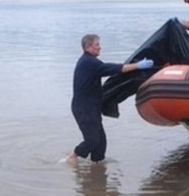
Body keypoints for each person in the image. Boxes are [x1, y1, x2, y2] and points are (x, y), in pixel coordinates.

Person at [65, 34, 154, 165]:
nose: (100, 48)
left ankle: (96, 167)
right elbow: (115, 68)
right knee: (93, 140)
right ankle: (72, 157)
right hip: (83, 108)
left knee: (101, 142)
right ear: (88, 47)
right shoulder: (89, 62)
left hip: (91, 107)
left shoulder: (89, 61)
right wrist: (138, 65)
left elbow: (112, 69)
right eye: (97, 45)